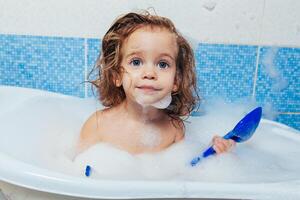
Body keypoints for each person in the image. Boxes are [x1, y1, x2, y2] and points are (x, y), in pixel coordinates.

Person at [77, 11, 235, 155]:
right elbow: (78, 169)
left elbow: (187, 170)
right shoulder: (98, 125)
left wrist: (213, 152)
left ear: (176, 80)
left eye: (162, 64)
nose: (150, 74)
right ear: (117, 75)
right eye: (136, 62)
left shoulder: (174, 129)